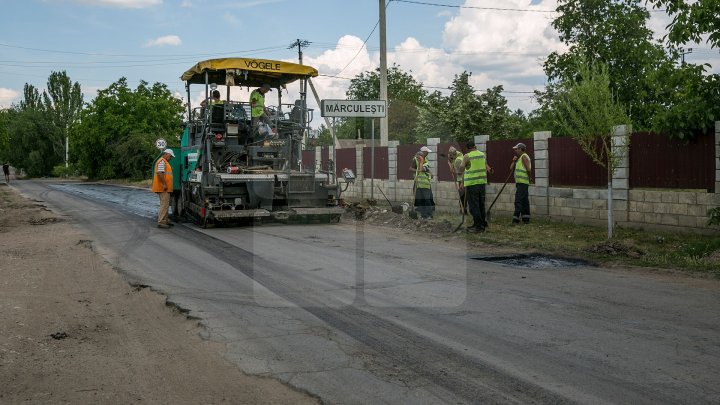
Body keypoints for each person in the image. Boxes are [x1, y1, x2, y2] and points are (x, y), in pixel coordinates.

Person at [460, 142, 493, 232]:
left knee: (474, 206)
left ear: (467, 148)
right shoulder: (482, 154)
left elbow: (461, 168)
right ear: (475, 147)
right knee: (481, 204)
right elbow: (486, 166)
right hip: (482, 183)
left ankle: (478, 227)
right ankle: (482, 223)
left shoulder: (467, 156)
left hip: (472, 184)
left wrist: (461, 164)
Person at [152, 149, 175, 229]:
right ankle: (161, 221)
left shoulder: (164, 161)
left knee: (165, 204)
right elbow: (160, 173)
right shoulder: (162, 161)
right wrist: (164, 184)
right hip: (163, 188)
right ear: (166, 154)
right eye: (170, 156)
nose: (171, 157)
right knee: (164, 204)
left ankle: (165, 220)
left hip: (164, 188)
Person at [410, 146, 435, 219]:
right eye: (426, 152)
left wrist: (421, 162)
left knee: (427, 200)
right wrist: (416, 171)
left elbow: (421, 169)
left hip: (425, 184)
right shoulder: (416, 160)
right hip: (418, 184)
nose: (427, 154)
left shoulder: (426, 162)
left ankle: (429, 215)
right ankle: (423, 215)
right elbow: (412, 168)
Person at [510, 142, 532, 224]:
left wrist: (530, 178)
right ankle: (526, 218)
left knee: (518, 200)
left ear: (520, 149)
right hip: (521, 183)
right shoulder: (519, 158)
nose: (515, 151)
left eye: (516, 149)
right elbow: (511, 168)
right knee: (524, 200)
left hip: (523, 183)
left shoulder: (524, 157)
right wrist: (513, 161)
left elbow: (528, 169)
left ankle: (515, 219)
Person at [447, 147, 466, 214]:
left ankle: (463, 211)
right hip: (462, 179)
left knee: (462, 195)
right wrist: (450, 162)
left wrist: (453, 170)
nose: (449, 156)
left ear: (453, 154)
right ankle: (463, 210)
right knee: (463, 195)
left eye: (450, 155)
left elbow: (460, 172)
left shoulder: (458, 160)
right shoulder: (459, 156)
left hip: (462, 180)